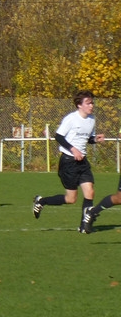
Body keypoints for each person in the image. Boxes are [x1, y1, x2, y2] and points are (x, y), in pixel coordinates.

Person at [33, 91, 104, 231]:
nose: (91, 105)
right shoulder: (71, 119)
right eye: (88, 103)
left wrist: (95, 140)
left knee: (90, 192)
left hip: (82, 162)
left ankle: (85, 226)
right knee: (71, 199)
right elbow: (58, 136)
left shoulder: (92, 119)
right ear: (79, 105)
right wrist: (73, 150)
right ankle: (41, 201)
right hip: (68, 162)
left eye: (92, 102)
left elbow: (88, 138)